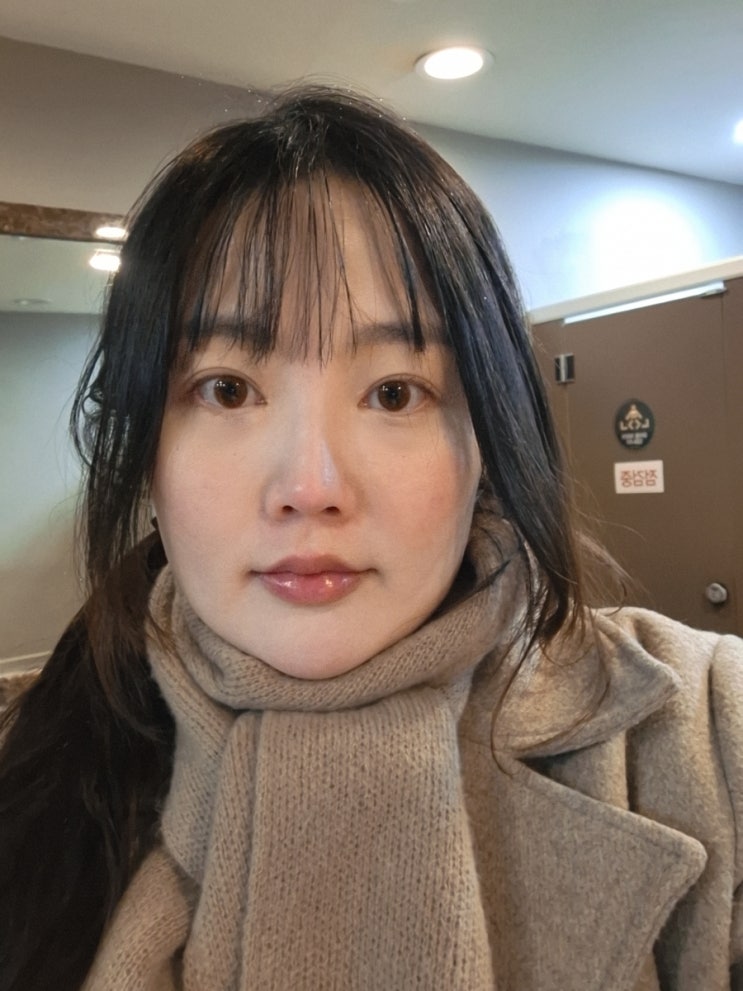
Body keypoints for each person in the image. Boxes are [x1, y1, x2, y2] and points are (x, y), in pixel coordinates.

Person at [0, 86, 741, 991]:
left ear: (487, 440)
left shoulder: (707, 730)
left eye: (394, 392)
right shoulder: (40, 768)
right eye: (226, 389)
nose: (310, 488)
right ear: (149, 452)